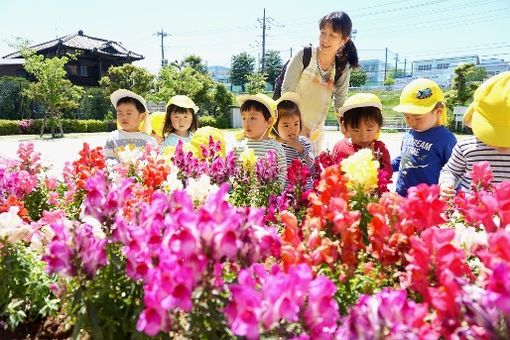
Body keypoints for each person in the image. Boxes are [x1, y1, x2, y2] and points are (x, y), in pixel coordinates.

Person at [281, 11, 358, 153]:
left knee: (310, 171)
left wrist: (346, 126)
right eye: (323, 32)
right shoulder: (304, 55)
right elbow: (287, 92)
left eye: (332, 35)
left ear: (344, 40)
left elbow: (340, 103)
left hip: (315, 132)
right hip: (288, 128)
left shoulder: (341, 68)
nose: (325, 39)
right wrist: (297, 125)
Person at [439, 71, 510, 195]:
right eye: (494, 135)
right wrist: (446, 184)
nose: (501, 145)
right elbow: (451, 171)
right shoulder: (466, 147)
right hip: (472, 211)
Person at [392, 78, 457, 197]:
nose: (411, 122)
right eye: (407, 117)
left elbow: (455, 169)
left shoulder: (445, 139)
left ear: (438, 112)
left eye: (418, 118)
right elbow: (404, 158)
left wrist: (449, 191)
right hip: (402, 197)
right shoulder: (409, 134)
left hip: (427, 203)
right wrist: (387, 166)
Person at [333, 93, 392, 178]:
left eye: (369, 130)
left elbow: (388, 175)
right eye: (356, 130)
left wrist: (375, 164)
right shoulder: (339, 147)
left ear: (379, 127)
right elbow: (333, 174)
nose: (364, 137)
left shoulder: (380, 149)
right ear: (345, 127)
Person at [233, 93, 287, 186]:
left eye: (253, 118)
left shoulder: (275, 147)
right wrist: (234, 182)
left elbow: (282, 172)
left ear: (269, 122)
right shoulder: (239, 146)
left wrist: (275, 189)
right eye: (244, 118)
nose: (246, 123)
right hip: (242, 198)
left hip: (266, 197)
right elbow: (232, 170)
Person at [273, 92, 314, 189]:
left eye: (296, 124)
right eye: (286, 125)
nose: (292, 129)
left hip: (304, 191)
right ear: (275, 126)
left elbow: (312, 166)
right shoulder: (275, 145)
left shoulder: (303, 142)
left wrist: (301, 149)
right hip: (284, 194)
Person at [104, 89, 157, 160]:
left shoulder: (149, 140)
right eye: (119, 113)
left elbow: (153, 163)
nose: (123, 117)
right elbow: (106, 161)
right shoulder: (112, 138)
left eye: (128, 113)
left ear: (142, 116)